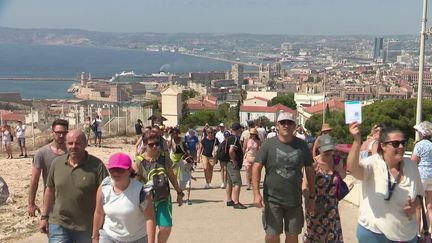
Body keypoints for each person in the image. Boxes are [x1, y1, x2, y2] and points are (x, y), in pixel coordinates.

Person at [347, 122, 423, 243]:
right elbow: (352, 168)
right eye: (395, 144)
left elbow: (419, 195)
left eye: (403, 143)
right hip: (374, 235)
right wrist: (357, 141)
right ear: (382, 146)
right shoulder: (372, 164)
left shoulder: (412, 167)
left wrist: (414, 206)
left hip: (406, 235)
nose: (401, 147)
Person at [252, 112, 316, 243]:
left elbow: (309, 170)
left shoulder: (302, 145)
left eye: (290, 123)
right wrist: (256, 194)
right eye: (283, 123)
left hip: (294, 200)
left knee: (292, 235)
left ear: (294, 126)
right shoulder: (268, 145)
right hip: (272, 199)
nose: (286, 125)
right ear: (277, 126)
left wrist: (312, 197)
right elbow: (256, 167)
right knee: (272, 235)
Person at [38, 129, 109, 243]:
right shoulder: (57, 163)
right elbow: (49, 191)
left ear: (85, 144)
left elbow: (107, 194)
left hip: (87, 227)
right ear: (65, 144)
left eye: (78, 143)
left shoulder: (97, 165)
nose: (74, 146)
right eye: (70, 143)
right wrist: (44, 217)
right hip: (59, 225)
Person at [92, 153, 156, 243]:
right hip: (109, 237)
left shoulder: (141, 191)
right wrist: (94, 237)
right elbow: (99, 213)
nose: (116, 173)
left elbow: (150, 219)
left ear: (129, 170)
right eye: (112, 170)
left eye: (120, 170)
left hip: (136, 239)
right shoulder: (104, 187)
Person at [133, 132, 184, 243]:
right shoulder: (139, 161)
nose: (155, 146)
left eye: (157, 143)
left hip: (163, 198)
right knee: (149, 232)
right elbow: (135, 182)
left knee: (166, 228)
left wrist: (179, 193)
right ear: (145, 145)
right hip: (147, 200)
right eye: (151, 144)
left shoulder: (163, 157)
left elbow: (171, 175)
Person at [302, 134, 345, 242]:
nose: (328, 152)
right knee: (316, 237)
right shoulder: (313, 163)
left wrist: (339, 169)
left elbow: (343, 176)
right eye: (325, 149)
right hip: (316, 207)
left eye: (330, 149)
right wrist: (309, 202)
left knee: (332, 237)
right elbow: (304, 187)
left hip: (332, 208)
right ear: (319, 149)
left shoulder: (337, 161)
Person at [28, 119, 69, 217]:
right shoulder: (42, 153)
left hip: (72, 202)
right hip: (51, 202)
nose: (61, 136)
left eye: (64, 133)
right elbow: (34, 180)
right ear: (52, 133)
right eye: (58, 133)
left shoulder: (73, 152)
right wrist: (31, 203)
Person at [411, 121, 432, 234]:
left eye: (418, 131)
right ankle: (431, 232)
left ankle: (417, 233)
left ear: (422, 133)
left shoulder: (420, 145)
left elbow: (413, 162)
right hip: (431, 177)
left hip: (421, 176)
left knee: (417, 206)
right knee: (430, 206)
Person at [225, 122, 247, 209]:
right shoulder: (234, 138)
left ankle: (229, 200)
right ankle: (236, 202)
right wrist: (234, 160)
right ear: (238, 130)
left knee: (229, 182)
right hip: (232, 164)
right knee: (237, 183)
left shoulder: (229, 138)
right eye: (240, 129)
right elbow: (231, 150)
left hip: (227, 163)